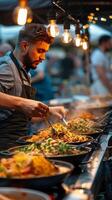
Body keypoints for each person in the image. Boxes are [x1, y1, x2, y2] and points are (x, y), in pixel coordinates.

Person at [0, 23, 66, 149]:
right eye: (40, 51)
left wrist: (49, 111)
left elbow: (22, 115)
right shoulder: (6, 68)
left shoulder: (25, 72)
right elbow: (21, 105)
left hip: (21, 143)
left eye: (45, 52)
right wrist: (21, 103)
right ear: (24, 46)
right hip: (6, 148)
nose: (43, 57)